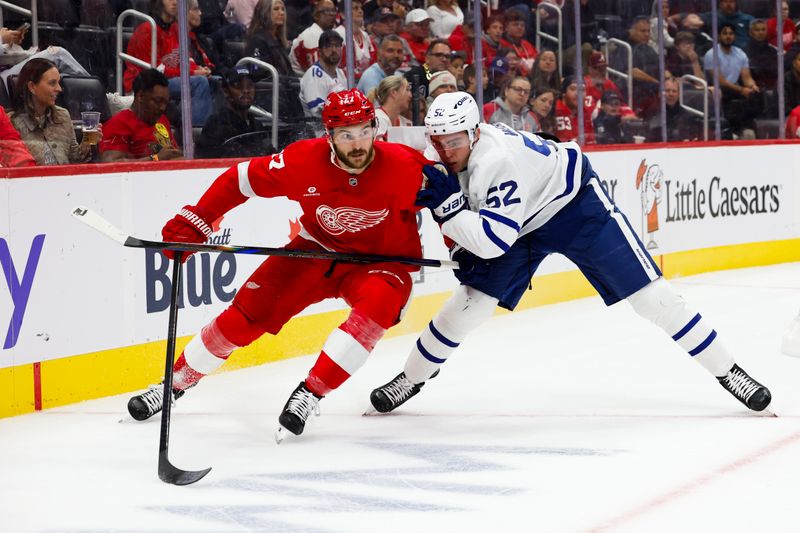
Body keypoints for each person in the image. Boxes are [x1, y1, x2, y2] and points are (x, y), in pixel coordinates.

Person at [367, 91, 773, 417]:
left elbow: (490, 241)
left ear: (475, 134)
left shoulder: (498, 161)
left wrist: (450, 213)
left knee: (653, 299)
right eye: (438, 141)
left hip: (574, 207)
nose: (445, 149)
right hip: (518, 223)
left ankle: (729, 371)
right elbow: (451, 208)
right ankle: (412, 377)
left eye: (454, 141)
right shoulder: (442, 150)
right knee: (469, 303)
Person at [126, 89, 433, 441]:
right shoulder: (303, 161)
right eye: (346, 135)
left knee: (377, 308)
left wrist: (467, 244)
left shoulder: (407, 166)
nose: (358, 143)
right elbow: (240, 180)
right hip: (317, 250)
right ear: (329, 135)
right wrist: (201, 217)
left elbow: (453, 199)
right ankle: (174, 383)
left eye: (364, 131)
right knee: (245, 316)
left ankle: (310, 393)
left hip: (383, 263)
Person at [124, 0, 214, 126]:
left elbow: (185, 58)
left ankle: (212, 131)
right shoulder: (147, 28)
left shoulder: (176, 28)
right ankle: (195, 132)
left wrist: (199, 69)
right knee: (200, 82)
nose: (175, 2)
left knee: (215, 81)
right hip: (145, 84)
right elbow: (155, 73)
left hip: (168, 81)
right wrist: (193, 72)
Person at [9, 58, 96, 165]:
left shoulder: (62, 115)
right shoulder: (12, 123)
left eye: (58, 83)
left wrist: (87, 141)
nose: (59, 88)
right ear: (32, 87)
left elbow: (74, 160)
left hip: (64, 180)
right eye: (52, 83)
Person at [99, 69, 183, 162]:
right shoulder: (118, 124)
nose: (162, 108)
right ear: (140, 96)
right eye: (158, 101)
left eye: (165, 103)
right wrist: (156, 158)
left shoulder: (162, 119)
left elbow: (175, 155)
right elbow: (111, 164)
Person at [703, 23, 762, 138]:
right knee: (733, 94)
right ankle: (733, 131)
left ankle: (748, 128)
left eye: (731, 34)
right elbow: (720, 81)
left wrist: (753, 86)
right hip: (717, 89)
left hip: (734, 88)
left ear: (734, 36)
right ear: (719, 36)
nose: (728, 36)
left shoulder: (740, 54)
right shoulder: (711, 54)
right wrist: (741, 90)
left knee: (758, 93)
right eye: (725, 34)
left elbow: (747, 77)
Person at [196, 67, 267, 158]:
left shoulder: (257, 125)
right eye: (238, 86)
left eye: (249, 86)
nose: (246, 91)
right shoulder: (216, 124)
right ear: (226, 91)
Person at [299, 29, 347, 126]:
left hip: (340, 128)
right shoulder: (314, 74)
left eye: (337, 46)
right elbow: (317, 112)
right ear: (319, 52)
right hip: (320, 133)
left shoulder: (340, 73)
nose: (333, 50)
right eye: (328, 46)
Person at [244, 0, 292, 76]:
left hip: (287, 84)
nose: (282, 13)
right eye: (276, 9)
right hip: (272, 86)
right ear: (264, 13)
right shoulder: (257, 41)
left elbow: (289, 71)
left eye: (282, 9)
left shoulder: (279, 40)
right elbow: (257, 73)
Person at [289, 0, 337, 76]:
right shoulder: (308, 37)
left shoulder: (334, 35)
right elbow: (318, 74)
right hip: (303, 84)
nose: (332, 14)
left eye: (333, 11)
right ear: (316, 16)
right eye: (326, 11)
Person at [335, 0, 376, 82]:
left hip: (365, 81)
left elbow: (374, 63)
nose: (360, 11)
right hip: (343, 83)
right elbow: (336, 69)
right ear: (343, 15)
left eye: (361, 8)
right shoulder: (337, 35)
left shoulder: (365, 36)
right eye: (355, 8)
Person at [369, 74, 412, 140]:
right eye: (407, 89)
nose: (410, 95)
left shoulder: (405, 122)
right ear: (393, 93)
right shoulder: (377, 118)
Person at [555, 76, 594, 143]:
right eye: (573, 89)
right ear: (563, 93)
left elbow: (590, 142)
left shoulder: (586, 113)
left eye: (582, 90)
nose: (578, 94)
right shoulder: (554, 111)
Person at [500, 9, 537, 76]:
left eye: (522, 25)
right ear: (506, 27)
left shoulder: (527, 44)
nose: (520, 28)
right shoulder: (501, 45)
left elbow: (538, 61)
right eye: (515, 24)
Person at [745, 19, 778, 90]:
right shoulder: (745, 51)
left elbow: (777, 69)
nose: (761, 32)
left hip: (772, 86)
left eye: (763, 29)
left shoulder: (772, 50)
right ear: (751, 32)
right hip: (753, 87)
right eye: (757, 30)